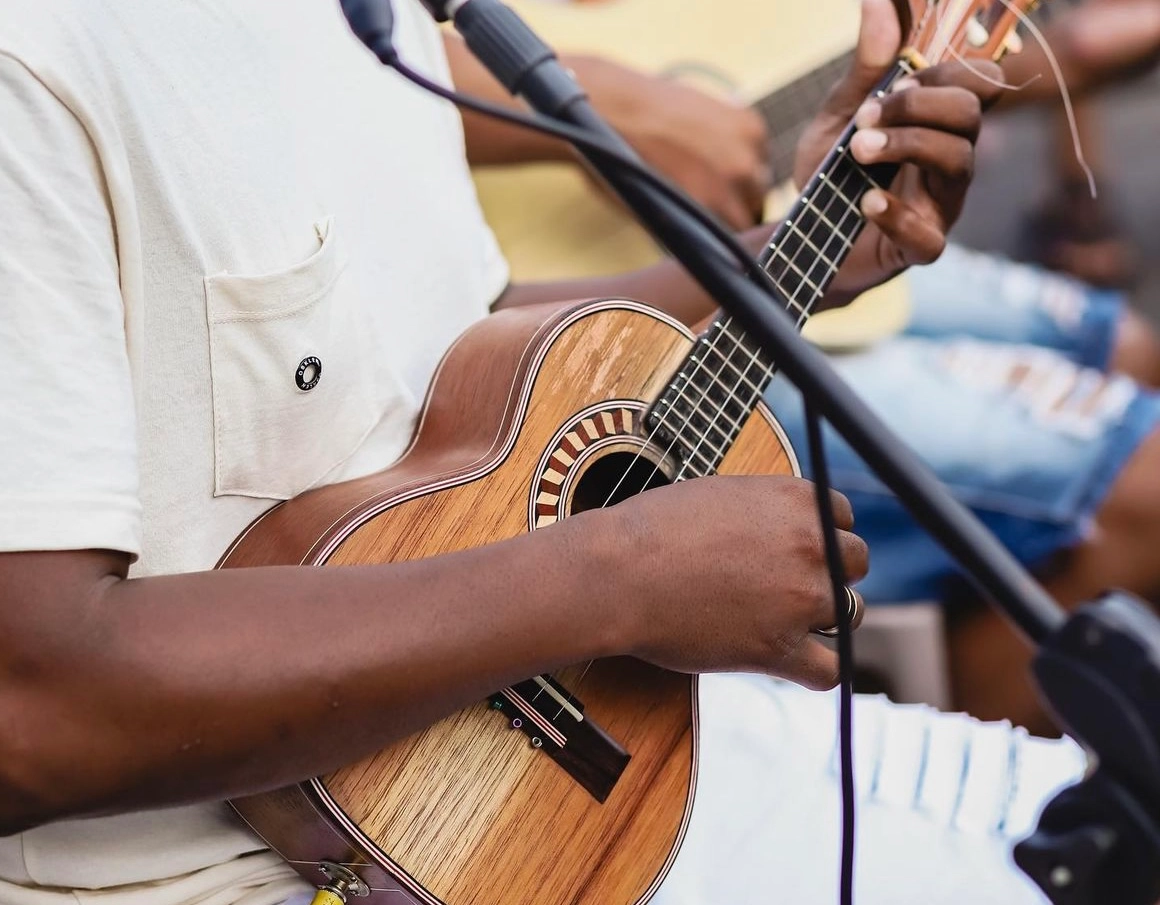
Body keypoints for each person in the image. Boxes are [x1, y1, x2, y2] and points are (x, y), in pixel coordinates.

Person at [0, 3, 1083, 905]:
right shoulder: (33, 68)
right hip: (260, 866)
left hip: (556, 766)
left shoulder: (360, 18)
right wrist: (618, 576)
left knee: (1105, 817)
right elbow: (31, 711)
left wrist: (793, 255)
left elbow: (451, 340)